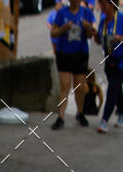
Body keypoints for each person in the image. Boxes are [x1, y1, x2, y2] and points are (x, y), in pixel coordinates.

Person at [50, 0, 95, 129]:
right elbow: (53, 33)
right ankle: (61, 117)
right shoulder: (61, 13)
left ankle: (80, 112)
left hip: (80, 53)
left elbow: (91, 35)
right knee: (65, 85)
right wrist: (64, 28)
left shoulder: (86, 13)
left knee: (80, 86)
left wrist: (87, 27)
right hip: (64, 53)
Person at [94, 0, 123, 132]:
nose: (102, 7)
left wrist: (120, 38)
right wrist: (94, 34)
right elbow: (100, 40)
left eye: (104, 4)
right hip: (109, 61)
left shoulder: (121, 19)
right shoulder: (104, 22)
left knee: (111, 89)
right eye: (101, 4)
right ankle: (121, 112)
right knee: (116, 89)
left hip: (121, 62)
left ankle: (104, 120)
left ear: (112, 5)